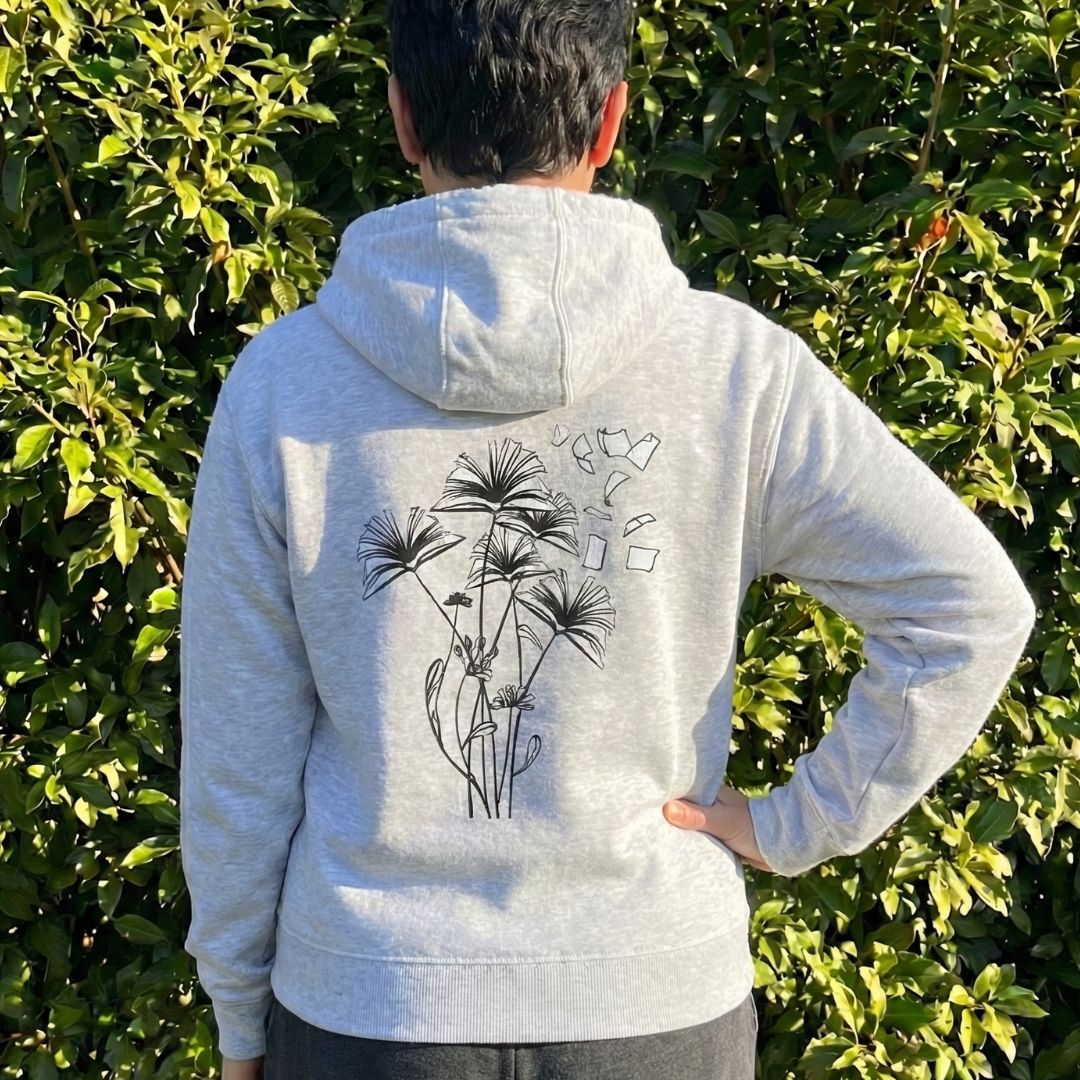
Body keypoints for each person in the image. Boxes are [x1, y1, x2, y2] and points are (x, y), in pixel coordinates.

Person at [177, 1, 1038, 1078]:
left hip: (370, 1002)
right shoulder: (736, 371)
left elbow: (238, 749)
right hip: (656, 1004)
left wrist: (239, 1012)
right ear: (612, 120)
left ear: (400, 117)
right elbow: (968, 608)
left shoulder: (282, 384)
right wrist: (795, 825)